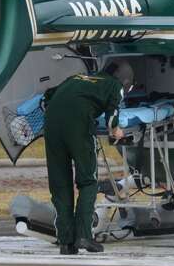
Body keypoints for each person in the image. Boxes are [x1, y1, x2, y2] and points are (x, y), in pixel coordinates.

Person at [42, 60, 133, 255]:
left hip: (51, 124)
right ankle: (84, 236)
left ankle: (66, 242)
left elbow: (48, 96)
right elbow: (112, 118)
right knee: (88, 181)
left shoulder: (76, 78)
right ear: (124, 81)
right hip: (78, 125)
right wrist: (116, 131)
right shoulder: (114, 85)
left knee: (60, 183)